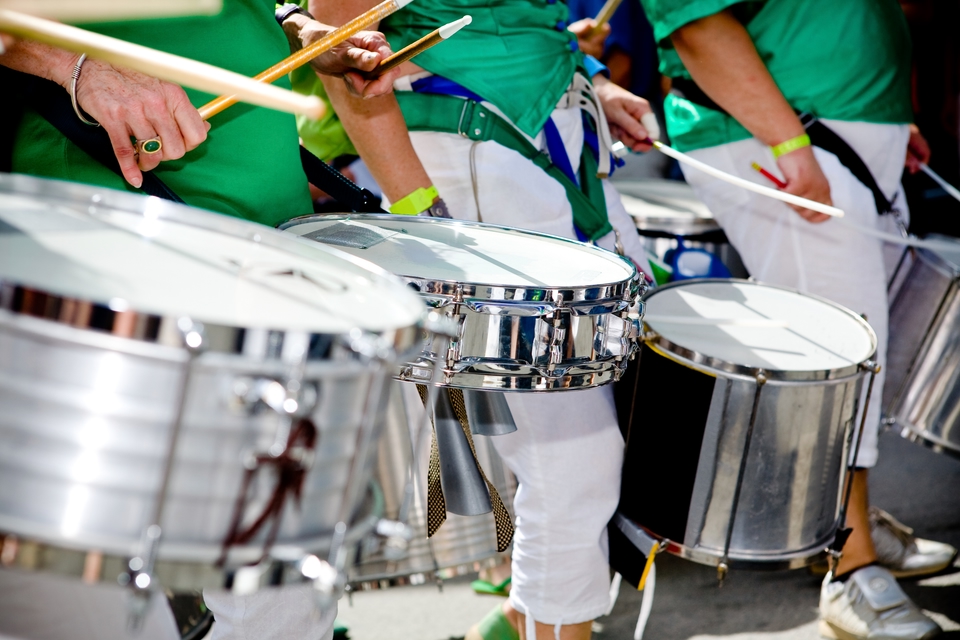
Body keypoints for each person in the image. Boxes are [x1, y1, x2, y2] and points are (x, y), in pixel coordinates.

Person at [0, 3, 403, 638]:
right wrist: (78, 69)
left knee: (283, 595)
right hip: (110, 251)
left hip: (267, 252)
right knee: (87, 600)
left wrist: (300, 30)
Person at [282, 1, 659, 639]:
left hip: (549, 141)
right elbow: (340, 49)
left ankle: (523, 614)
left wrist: (588, 83)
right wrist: (423, 214)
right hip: (466, 153)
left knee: (621, 414)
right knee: (573, 456)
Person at [635, 1, 957, 638]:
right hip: (779, 133)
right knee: (838, 349)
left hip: (828, 128)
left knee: (861, 336)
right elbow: (697, 21)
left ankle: (848, 524)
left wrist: (882, 118)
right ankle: (847, 563)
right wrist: (789, 139)